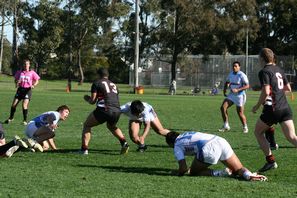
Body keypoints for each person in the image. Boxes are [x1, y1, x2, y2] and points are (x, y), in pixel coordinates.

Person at [252, 48, 297, 172]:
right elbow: (288, 88)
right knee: (292, 137)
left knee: (258, 132)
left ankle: (271, 161)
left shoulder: (264, 71)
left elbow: (266, 92)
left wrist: (256, 106)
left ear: (262, 58)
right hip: (285, 108)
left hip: (273, 109)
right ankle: (271, 160)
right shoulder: (279, 69)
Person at [166, 131, 267, 181]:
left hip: (209, 147)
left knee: (193, 172)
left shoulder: (176, 145)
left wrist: (177, 173)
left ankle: (221, 173)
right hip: (220, 141)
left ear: (170, 144)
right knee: (238, 169)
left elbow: (183, 168)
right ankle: (249, 175)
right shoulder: (185, 134)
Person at [79, 68, 129, 155]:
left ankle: (84, 149)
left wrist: (87, 98)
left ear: (98, 75)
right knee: (111, 126)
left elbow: (92, 101)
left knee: (87, 125)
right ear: (107, 75)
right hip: (117, 110)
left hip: (105, 109)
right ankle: (124, 143)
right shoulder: (114, 85)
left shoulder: (97, 83)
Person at [4, 59, 40, 125]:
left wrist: (33, 85)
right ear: (23, 65)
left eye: (27, 64)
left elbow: (37, 80)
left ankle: (25, 120)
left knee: (24, 105)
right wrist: (16, 82)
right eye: (25, 64)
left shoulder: (32, 72)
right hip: (20, 90)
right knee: (14, 105)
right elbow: (16, 79)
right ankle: (11, 118)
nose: (26, 65)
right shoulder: (20, 72)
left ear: (29, 65)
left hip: (28, 90)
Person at [219, 61, 250, 133]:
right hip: (232, 95)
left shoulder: (242, 75)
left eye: (236, 66)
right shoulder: (231, 74)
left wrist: (238, 89)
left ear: (239, 67)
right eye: (233, 66)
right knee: (223, 107)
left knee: (240, 113)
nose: (234, 67)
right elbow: (227, 82)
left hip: (240, 95)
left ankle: (245, 127)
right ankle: (226, 125)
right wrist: (224, 90)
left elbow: (247, 86)